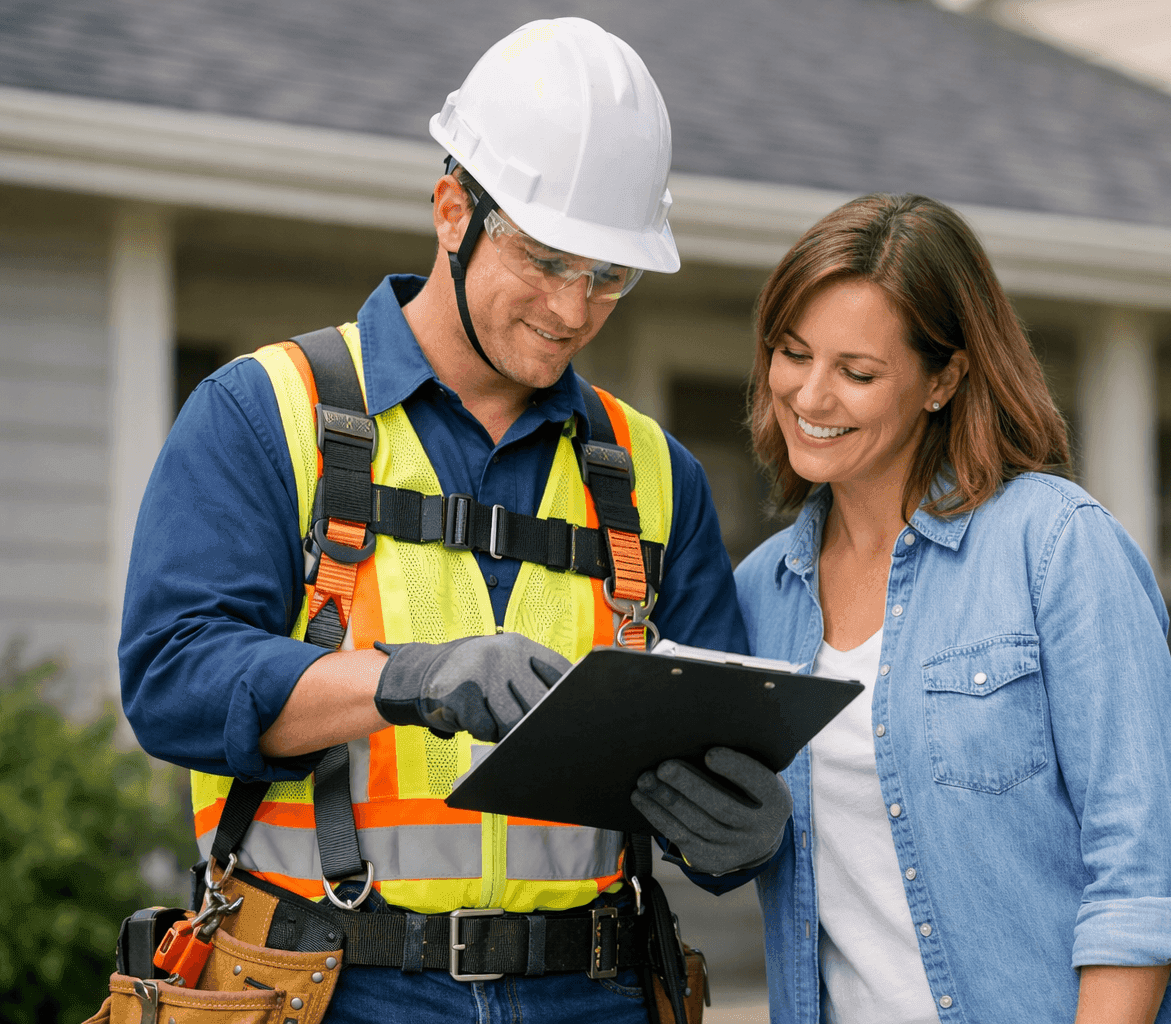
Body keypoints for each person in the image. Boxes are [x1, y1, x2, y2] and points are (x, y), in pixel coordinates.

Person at [119, 18, 789, 1024]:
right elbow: (172, 680)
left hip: (593, 992)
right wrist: (406, 679)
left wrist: (739, 828)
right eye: (549, 260)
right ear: (452, 213)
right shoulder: (266, 414)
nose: (575, 309)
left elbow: (707, 746)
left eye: (610, 275)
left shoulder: (656, 474)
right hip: (330, 988)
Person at [730, 194, 1171, 1024]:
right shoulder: (757, 595)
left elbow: (1144, 883)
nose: (810, 396)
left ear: (944, 379)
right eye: (792, 353)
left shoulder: (1056, 546)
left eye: (857, 372)